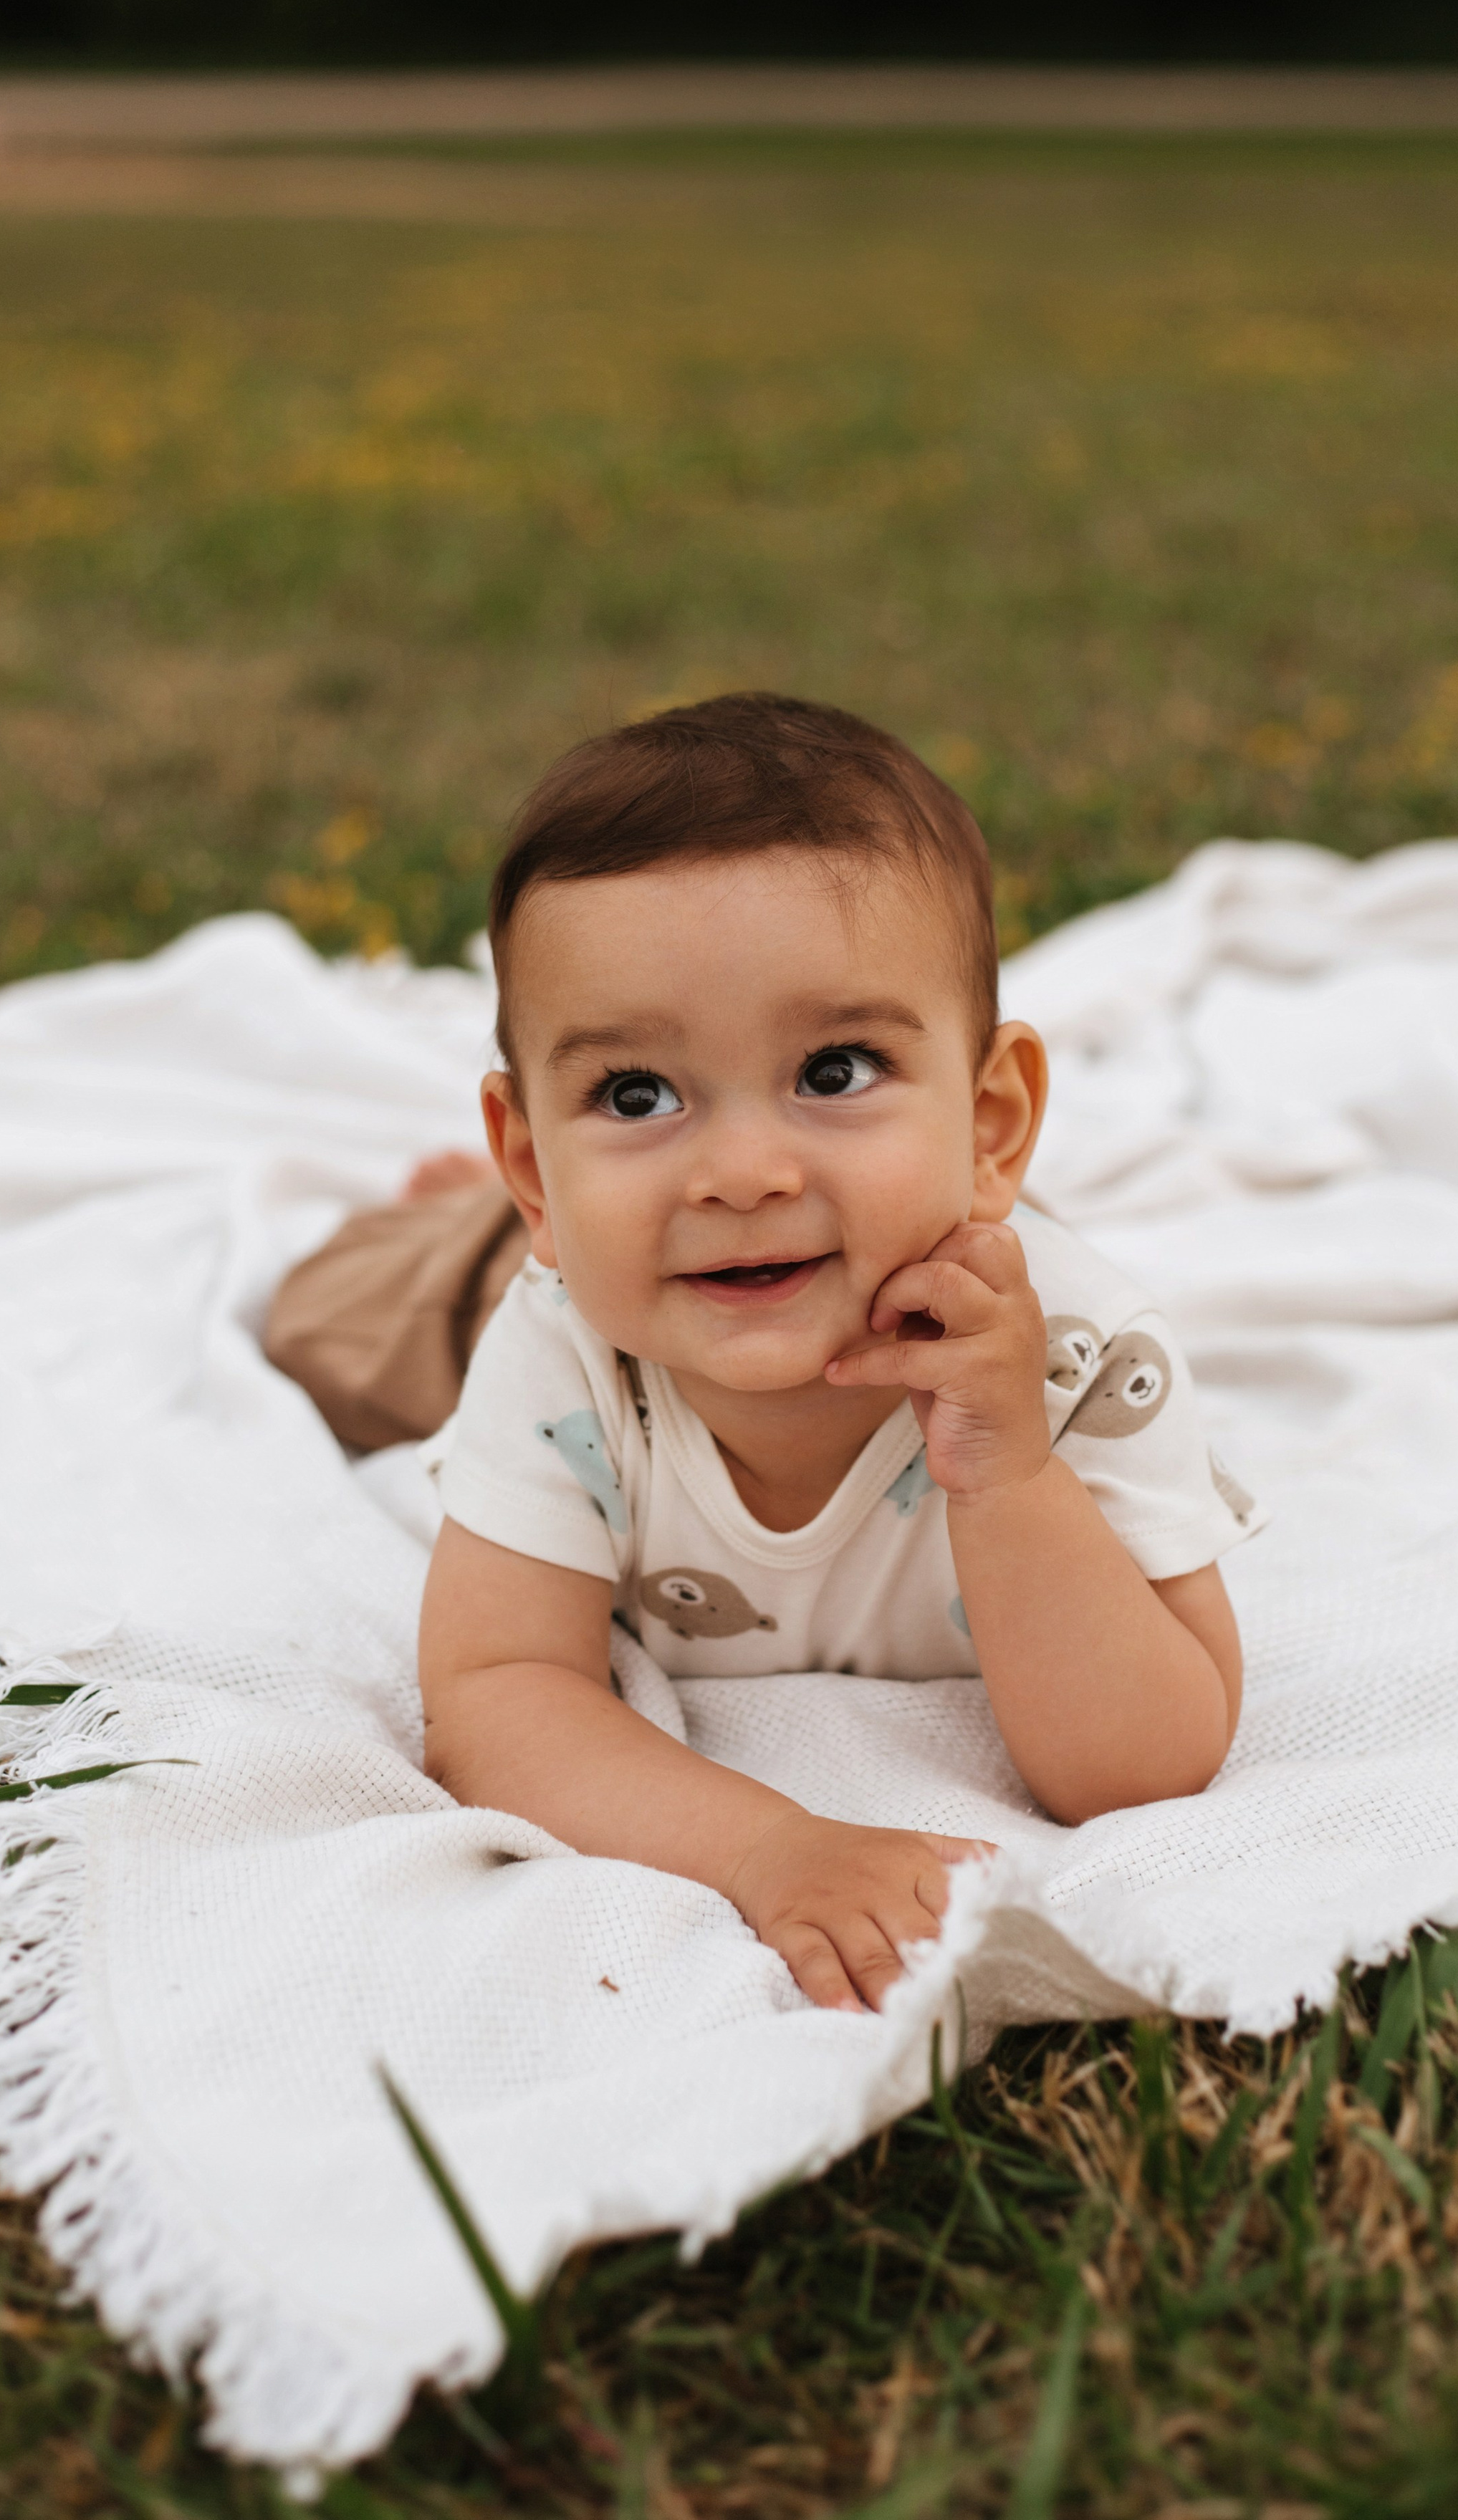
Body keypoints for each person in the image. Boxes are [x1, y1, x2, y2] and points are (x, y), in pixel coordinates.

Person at [411, 695, 1255, 2016]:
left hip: (643, 1258)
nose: (743, 1174)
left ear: (991, 1123)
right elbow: (493, 1695)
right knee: (355, 1325)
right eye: (637, 1095)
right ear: (536, 1156)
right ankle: (445, 1213)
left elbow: (1148, 1762)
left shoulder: (1084, 1357)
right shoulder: (567, 1347)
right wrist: (770, 1849)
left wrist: (1009, 1476)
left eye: (836, 1068)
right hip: (484, 1283)